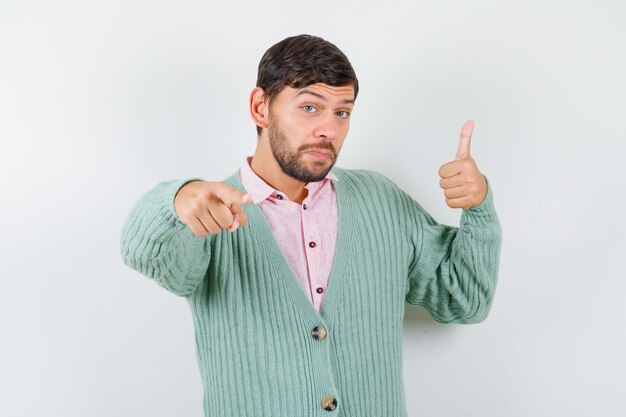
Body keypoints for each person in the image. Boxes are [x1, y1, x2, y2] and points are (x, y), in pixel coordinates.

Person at [120, 34, 502, 417]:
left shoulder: (382, 200)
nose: (329, 130)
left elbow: (464, 299)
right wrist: (176, 198)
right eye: (309, 107)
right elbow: (142, 251)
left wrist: (478, 205)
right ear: (260, 108)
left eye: (342, 112)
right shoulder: (211, 213)